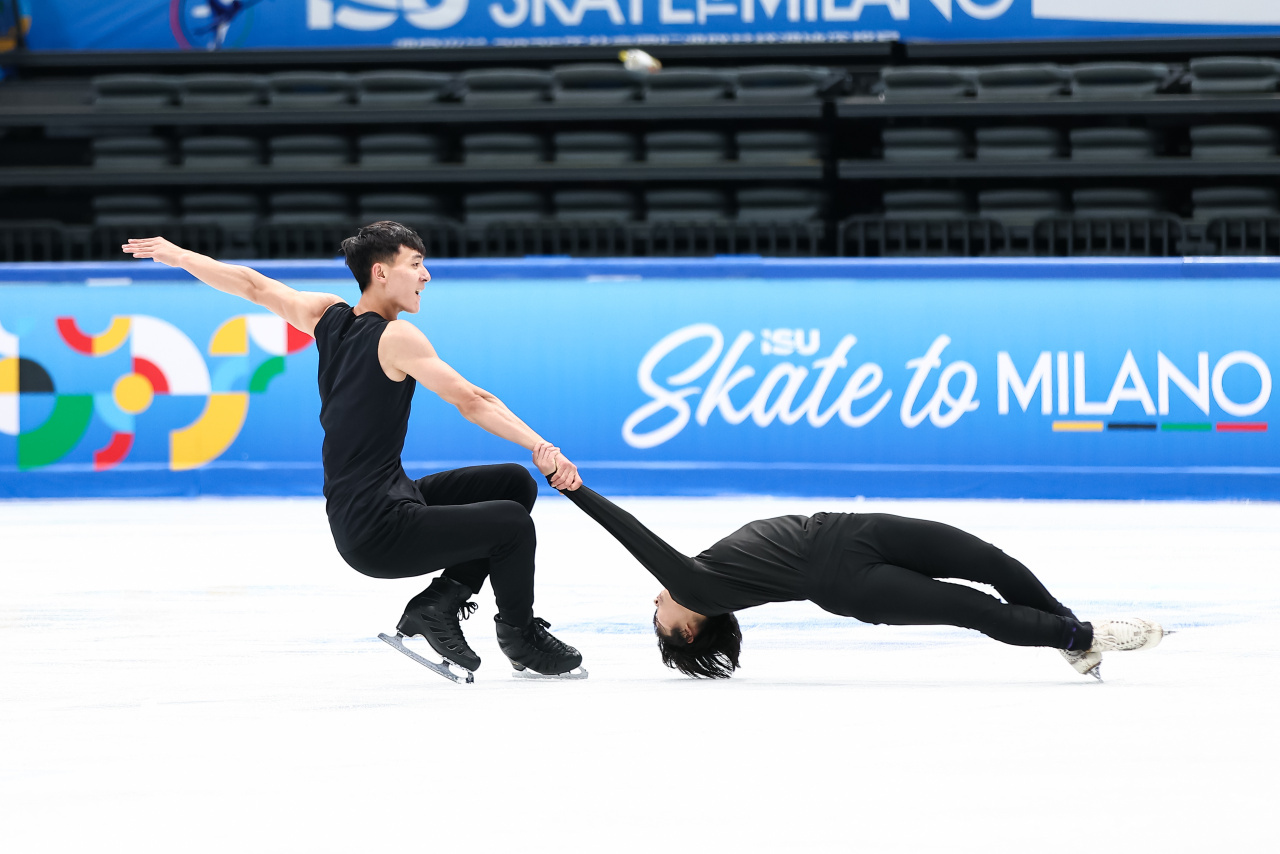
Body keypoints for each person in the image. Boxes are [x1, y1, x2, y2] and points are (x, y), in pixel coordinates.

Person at [122, 223, 586, 679]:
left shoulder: (327, 316)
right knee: (511, 524)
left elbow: (252, 286)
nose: (426, 276)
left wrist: (178, 256)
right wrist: (542, 447)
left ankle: (439, 603)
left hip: (371, 509)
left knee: (513, 483)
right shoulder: (397, 337)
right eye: (416, 264)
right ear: (381, 272)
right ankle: (520, 636)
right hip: (380, 530)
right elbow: (472, 400)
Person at [529, 443, 1163, 681]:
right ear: (690, 629)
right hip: (850, 582)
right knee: (975, 609)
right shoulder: (698, 587)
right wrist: (572, 488)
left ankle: (1068, 630)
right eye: (660, 621)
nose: (656, 603)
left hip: (855, 530)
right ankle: (1084, 636)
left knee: (991, 561)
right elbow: (631, 533)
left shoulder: (708, 574)